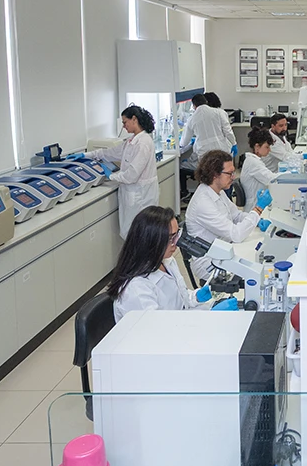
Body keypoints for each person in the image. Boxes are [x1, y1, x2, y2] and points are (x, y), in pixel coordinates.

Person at [107, 206, 236, 322]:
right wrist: (211, 316)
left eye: (177, 235)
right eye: (171, 238)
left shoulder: (167, 262)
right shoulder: (136, 289)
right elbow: (160, 332)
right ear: (152, 241)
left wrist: (196, 297)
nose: (176, 243)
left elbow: (180, 301)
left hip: (181, 327)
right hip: (161, 337)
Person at [185, 149, 272, 281]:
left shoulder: (217, 192)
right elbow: (236, 235)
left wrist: (258, 221)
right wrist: (258, 209)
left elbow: (236, 216)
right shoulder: (203, 203)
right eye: (229, 173)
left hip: (225, 249)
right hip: (210, 262)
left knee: (259, 259)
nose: (233, 177)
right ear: (214, 174)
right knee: (256, 273)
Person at [76, 105, 158, 240]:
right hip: (134, 195)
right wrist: (85, 155)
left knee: (140, 235)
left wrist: (111, 175)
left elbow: (131, 175)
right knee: (135, 234)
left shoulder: (143, 143)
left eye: (125, 122)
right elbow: (109, 153)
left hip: (140, 197)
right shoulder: (131, 141)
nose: (123, 126)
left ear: (134, 119)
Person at [180, 92, 236, 169]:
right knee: (222, 172)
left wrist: (182, 144)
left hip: (204, 154)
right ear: (206, 101)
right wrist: (234, 143)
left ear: (194, 106)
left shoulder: (191, 119)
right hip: (221, 150)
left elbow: (184, 142)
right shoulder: (219, 112)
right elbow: (228, 131)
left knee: (208, 174)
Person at [242, 128, 278, 212]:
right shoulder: (253, 163)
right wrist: (290, 173)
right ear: (257, 147)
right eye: (267, 147)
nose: (269, 150)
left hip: (256, 204)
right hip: (254, 208)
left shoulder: (253, 160)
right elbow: (271, 179)